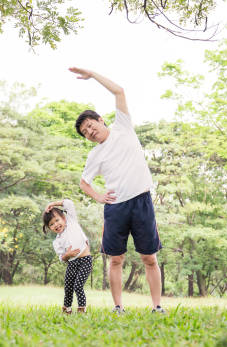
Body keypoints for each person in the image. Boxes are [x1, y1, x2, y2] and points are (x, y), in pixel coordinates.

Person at [69, 67, 165, 314]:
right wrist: (100, 196)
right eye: (85, 132)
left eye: (91, 125)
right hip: (116, 208)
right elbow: (83, 183)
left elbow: (119, 90)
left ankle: (157, 306)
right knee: (115, 259)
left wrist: (92, 74)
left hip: (142, 201)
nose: (90, 132)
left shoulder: (123, 126)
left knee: (149, 258)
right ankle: (118, 307)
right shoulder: (94, 155)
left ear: (101, 120)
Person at [43, 199, 92, 314]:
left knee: (78, 286)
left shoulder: (71, 222)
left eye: (57, 220)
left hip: (85, 260)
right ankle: (67, 309)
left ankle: (81, 309)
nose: (56, 225)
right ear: (49, 228)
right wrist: (67, 255)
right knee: (68, 287)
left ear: (63, 218)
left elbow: (69, 203)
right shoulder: (57, 241)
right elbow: (61, 258)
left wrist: (52, 204)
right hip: (72, 263)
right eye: (51, 224)